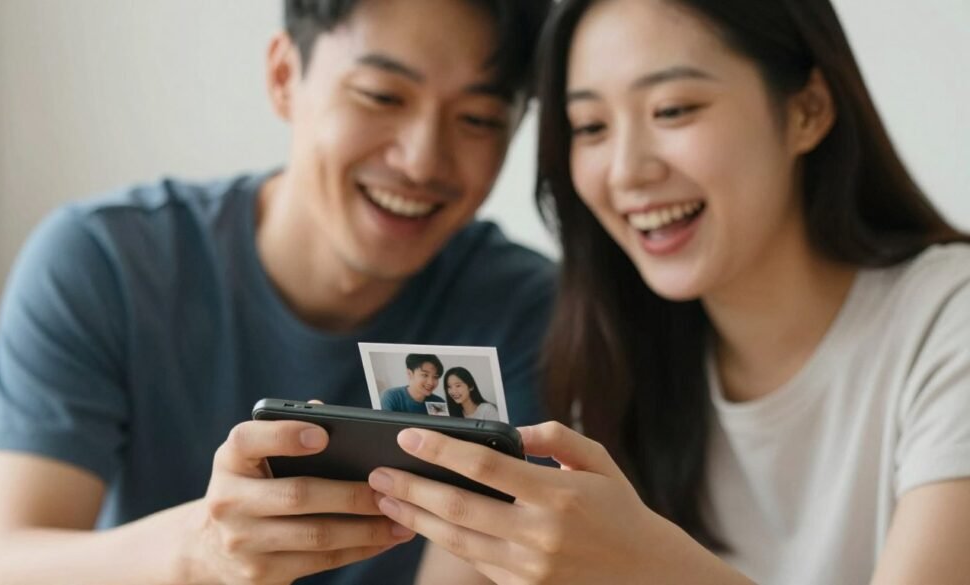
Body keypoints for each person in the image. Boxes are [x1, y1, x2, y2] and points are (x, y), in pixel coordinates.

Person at [365, 0, 970, 583]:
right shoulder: (605, 356)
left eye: (673, 109)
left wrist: (648, 569)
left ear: (807, 110)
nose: (627, 170)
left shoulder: (947, 321)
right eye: (592, 126)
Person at [0, 1, 554, 584]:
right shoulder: (104, 262)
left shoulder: (530, 310)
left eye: (478, 118)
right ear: (283, 76)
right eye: (382, 95)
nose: (423, 161)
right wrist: (199, 554)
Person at [380, 354, 446, 414]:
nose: (431, 382)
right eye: (425, 375)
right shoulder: (391, 397)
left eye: (435, 377)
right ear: (410, 373)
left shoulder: (439, 403)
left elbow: (441, 426)